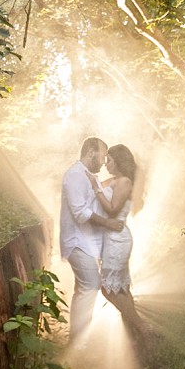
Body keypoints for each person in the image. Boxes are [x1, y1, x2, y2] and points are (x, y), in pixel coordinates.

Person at [59, 136, 122, 342]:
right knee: (90, 286)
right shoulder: (75, 176)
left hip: (87, 243)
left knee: (84, 289)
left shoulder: (90, 176)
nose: (104, 161)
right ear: (90, 152)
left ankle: (77, 342)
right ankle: (78, 344)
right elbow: (80, 213)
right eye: (103, 155)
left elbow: (100, 200)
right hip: (77, 242)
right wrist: (108, 224)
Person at [91, 143, 152, 348]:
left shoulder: (124, 181)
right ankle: (136, 335)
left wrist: (95, 190)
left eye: (109, 159)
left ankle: (144, 328)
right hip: (110, 238)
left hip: (117, 238)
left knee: (108, 289)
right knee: (121, 288)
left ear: (118, 161)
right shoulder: (114, 180)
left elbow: (112, 210)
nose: (105, 163)